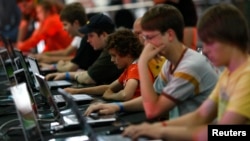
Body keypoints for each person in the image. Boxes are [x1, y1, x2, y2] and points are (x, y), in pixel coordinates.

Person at [122, 4, 250, 141]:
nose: (205, 50)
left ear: (230, 39)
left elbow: (223, 132)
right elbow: (200, 116)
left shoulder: (247, 77)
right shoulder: (229, 73)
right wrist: (157, 128)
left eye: (209, 43)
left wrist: (160, 132)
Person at [84, 4, 219, 121]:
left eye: (150, 37)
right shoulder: (170, 64)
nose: (146, 44)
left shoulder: (190, 66)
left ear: (170, 35)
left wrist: (142, 61)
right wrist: (116, 107)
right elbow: (152, 96)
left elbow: (152, 109)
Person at [64, 28, 152, 101]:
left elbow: (125, 95)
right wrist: (76, 91)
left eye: (114, 56)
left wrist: (110, 96)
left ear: (128, 53)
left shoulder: (136, 67)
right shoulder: (129, 68)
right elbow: (109, 87)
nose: (112, 60)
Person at [46, 13, 123, 85]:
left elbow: (88, 78)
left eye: (91, 36)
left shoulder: (112, 51)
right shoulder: (108, 47)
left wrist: (66, 74)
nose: (88, 40)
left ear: (104, 35)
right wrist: (66, 74)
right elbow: (89, 73)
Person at [32, 2, 101, 72]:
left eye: (65, 25)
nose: (63, 28)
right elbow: (68, 54)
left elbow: (75, 61)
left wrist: (49, 60)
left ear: (76, 23)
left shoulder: (86, 39)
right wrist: (45, 56)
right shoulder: (79, 37)